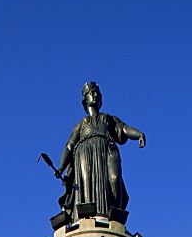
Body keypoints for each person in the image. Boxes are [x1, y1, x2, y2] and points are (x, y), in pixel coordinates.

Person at [55, 82, 146, 222]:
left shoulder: (108, 119)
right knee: (86, 181)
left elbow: (124, 129)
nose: (95, 95)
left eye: (97, 93)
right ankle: (86, 216)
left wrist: (139, 134)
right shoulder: (82, 124)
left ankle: (114, 215)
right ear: (85, 99)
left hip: (107, 148)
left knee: (114, 178)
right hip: (85, 152)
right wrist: (61, 166)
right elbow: (69, 146)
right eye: (92, 92)